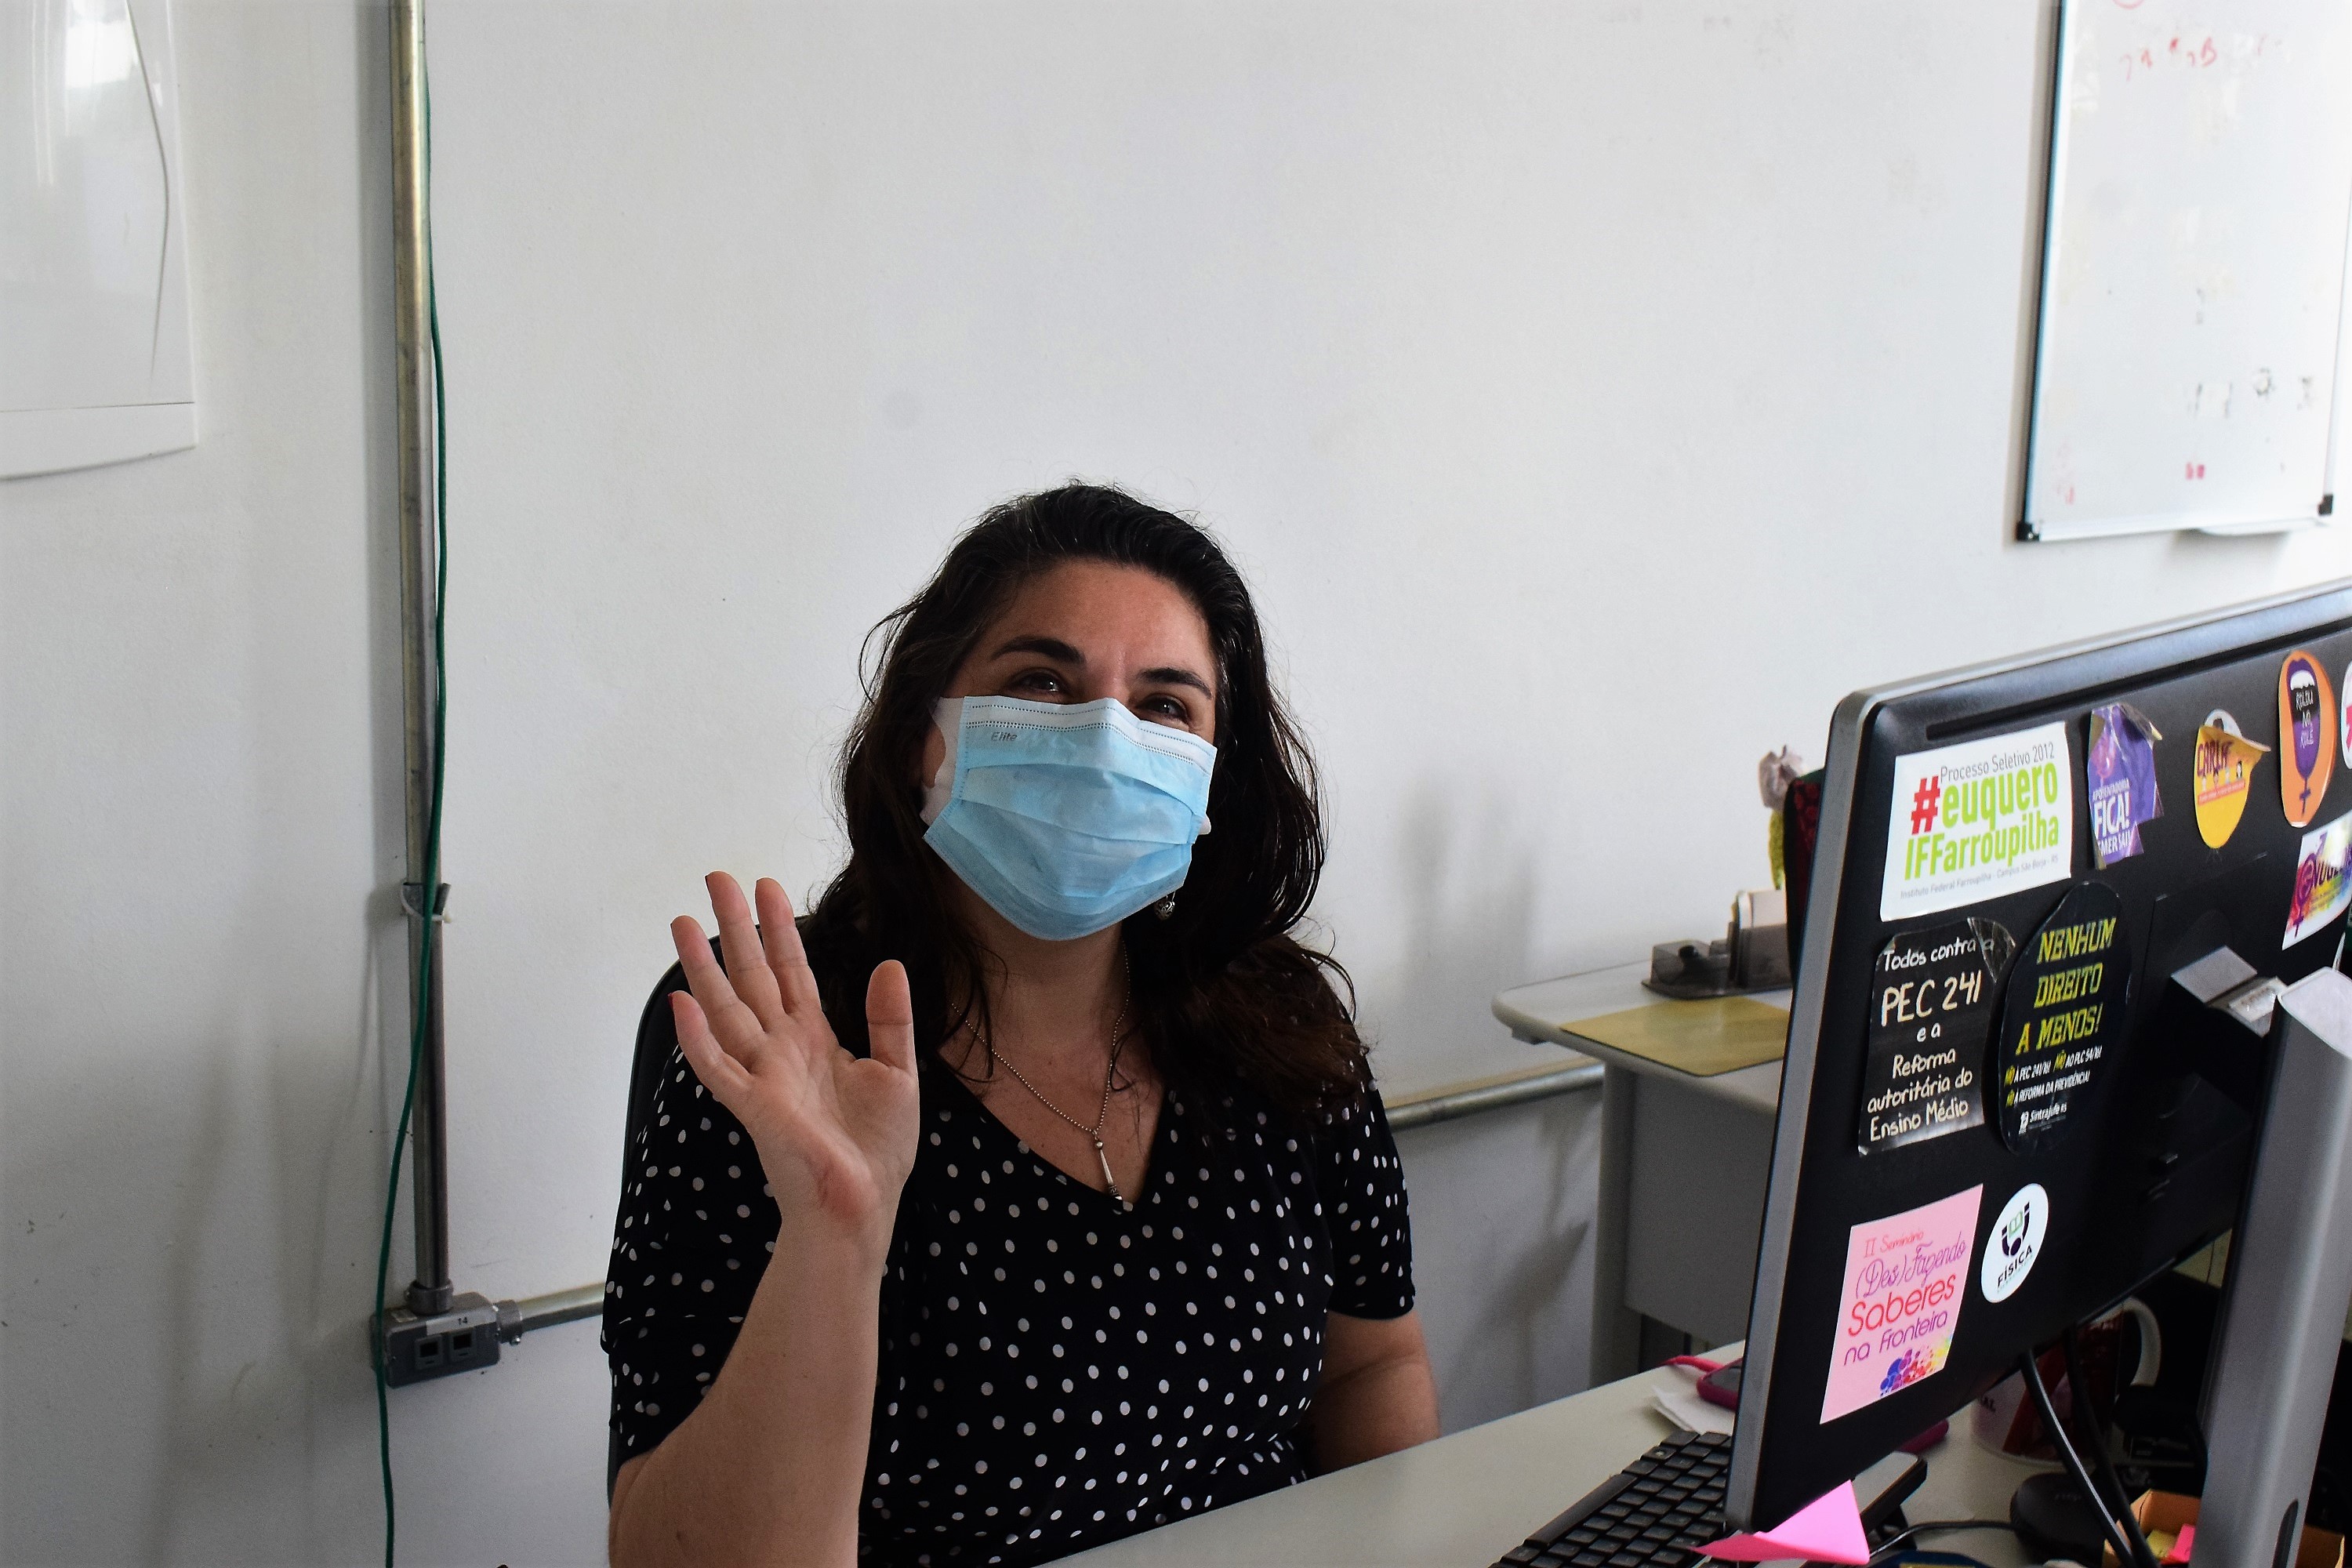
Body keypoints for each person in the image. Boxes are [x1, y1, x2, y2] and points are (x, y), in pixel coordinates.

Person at [604, 485, 1438, 1567]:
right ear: (924, 735)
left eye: (1165, 705)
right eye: (1043, 683)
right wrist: (833, 1234)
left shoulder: (1279, 1019)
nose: (1105, 739)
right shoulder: (781, 1048)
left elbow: (1372, 1364)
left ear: (1212, 780)